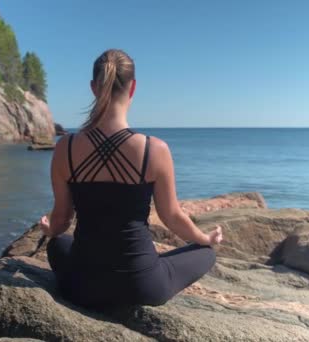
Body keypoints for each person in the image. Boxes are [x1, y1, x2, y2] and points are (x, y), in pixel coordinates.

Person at [38, 49, 223, 308]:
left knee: (57, 244)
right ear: (133, 87)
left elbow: (62, 218)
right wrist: (206, 239)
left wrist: (50, 230)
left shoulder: (65, 147)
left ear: (93, 88)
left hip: (80, 285)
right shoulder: (154, 149)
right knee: (205, 254)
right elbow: (172, 216)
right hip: (141, 287)